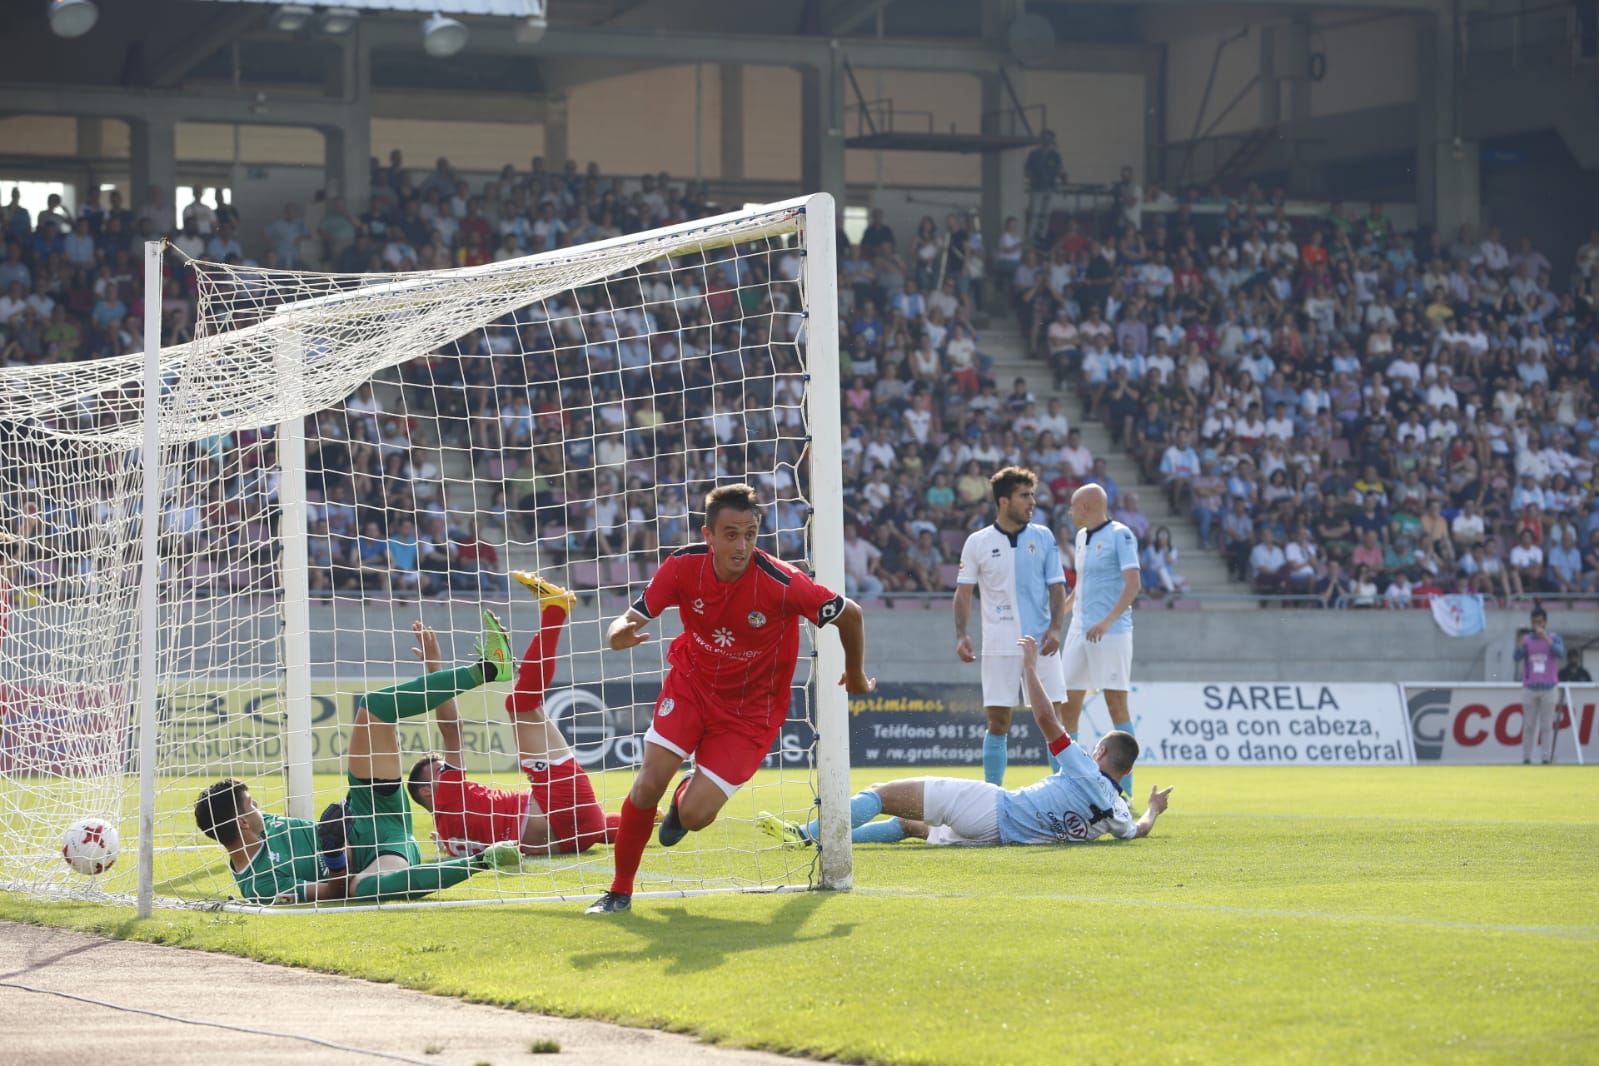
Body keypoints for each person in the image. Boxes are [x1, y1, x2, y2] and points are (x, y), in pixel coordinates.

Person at [587, 483, 874, 914]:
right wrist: (616, 634)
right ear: (709, 535)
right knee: (647, 785)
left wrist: (853, 673)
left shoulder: (783, 581)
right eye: (731, 535)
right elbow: (628, 617)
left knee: (698, 816)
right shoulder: (683, 566)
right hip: (692, 686)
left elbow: (850, 613)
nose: (742, 545)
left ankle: (684, 803)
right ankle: (619, 892)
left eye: (751, 534)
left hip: (750, 712)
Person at [193, 612, 522, 904]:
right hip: (385, 853)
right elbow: (335, 892)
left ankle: (489, 668)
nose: (258, 808)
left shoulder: (264, 829)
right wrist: (334, 854)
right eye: (251, 805)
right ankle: (483, 860)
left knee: (373, 708)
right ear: (242, 823)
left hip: (367, 809)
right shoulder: (260, 885)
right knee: (364, 890)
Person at [758, 636, 1170, 848]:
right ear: (1128, 770)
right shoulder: (1117, 811)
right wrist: (1153, 807)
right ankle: (831, 842)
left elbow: (1046, 718)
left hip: (993, 807)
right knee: (908, 825)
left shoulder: (1082, 766)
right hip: (999, 839)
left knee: (881, 793)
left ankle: (807, 836)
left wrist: (1030, 667)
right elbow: (1140, 829)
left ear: (1098, 752)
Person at [406, 572, 622, 857]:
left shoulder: (448, 842)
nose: (448, 770)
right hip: (561, 810)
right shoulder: (447, 796)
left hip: (570, 838)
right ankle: (555, 610)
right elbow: (452, 729)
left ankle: (648, 816)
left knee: (525, 706)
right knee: (519, 706)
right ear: (426, 791)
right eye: (441, 770)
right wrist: (436, 668)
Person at [953, 467, 1069, 786]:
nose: (1032, 502)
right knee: (998, 722)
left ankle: (1062, 793)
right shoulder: (978, 542)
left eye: (1032, 495)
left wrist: (1057, 628)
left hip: (1042, 644)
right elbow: (963, 592)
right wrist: (962, 635)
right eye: (1024, 496)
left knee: (1054, 720)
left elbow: (1057, 587)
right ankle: (993, 794)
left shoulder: (1043, 537)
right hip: (999, 643)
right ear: (1004, 501)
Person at [1057, 483, 1141, 795]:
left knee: (1116, 705)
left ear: (1088, 506)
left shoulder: (1121, 534)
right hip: (1079, 631)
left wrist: (1106, 622)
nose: (1070, 511)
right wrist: (1058, 620)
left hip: (1113, 632)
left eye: (1073, 506)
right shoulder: (1080, 538)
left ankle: (1125, 791)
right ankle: (1069, 785)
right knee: (1067, 705)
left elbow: (1133, 584)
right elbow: (1080, 588)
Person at [1514, 607, 1565, 765]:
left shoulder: (1554, 637)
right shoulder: (1527, 639)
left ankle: (1545, 757)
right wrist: (1519, 644)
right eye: (1535, 622)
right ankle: (1526, 757)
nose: (1537, 625)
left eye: (1540, 622)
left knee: (1546, 726)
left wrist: (1546, 639)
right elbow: (1516, 657)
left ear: (1545, 622)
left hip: (1549, 687)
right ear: (1531, 622)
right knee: (1529, 725)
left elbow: (1560, 653)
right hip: (1530, 687)